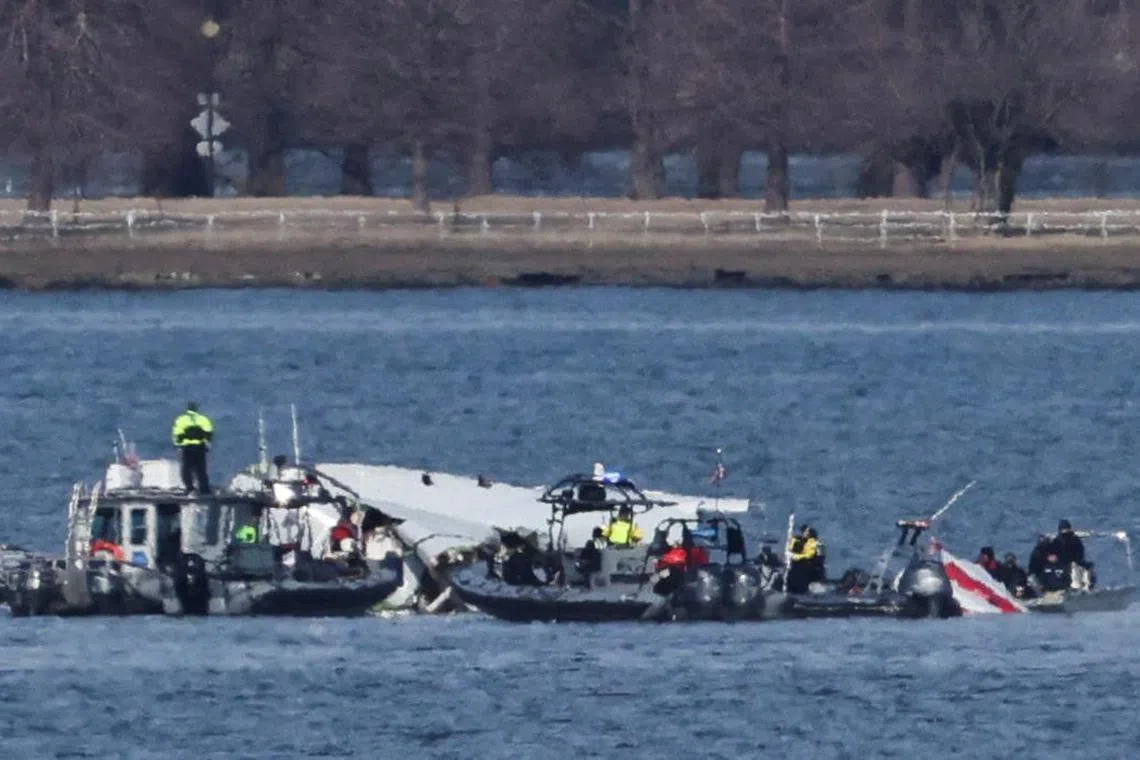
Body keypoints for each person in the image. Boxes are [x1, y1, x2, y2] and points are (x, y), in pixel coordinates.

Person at [171, 402, 214, 494]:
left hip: (187, 448)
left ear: (188, 409)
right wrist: (207, 444)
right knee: (201, 469)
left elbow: (177, 434)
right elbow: (209, 433)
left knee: (187, 469)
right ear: (197, 409)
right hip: (200, 447)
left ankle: (189, 487)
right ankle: (204, 489)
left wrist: (178, 445)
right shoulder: (203, 419)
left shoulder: (181, 420)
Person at [786, 525, 822, 594]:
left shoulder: (817, 545)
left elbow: (814, 557)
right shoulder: (798, 541)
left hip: (807, 571)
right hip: (800, 570)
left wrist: (795, 556)